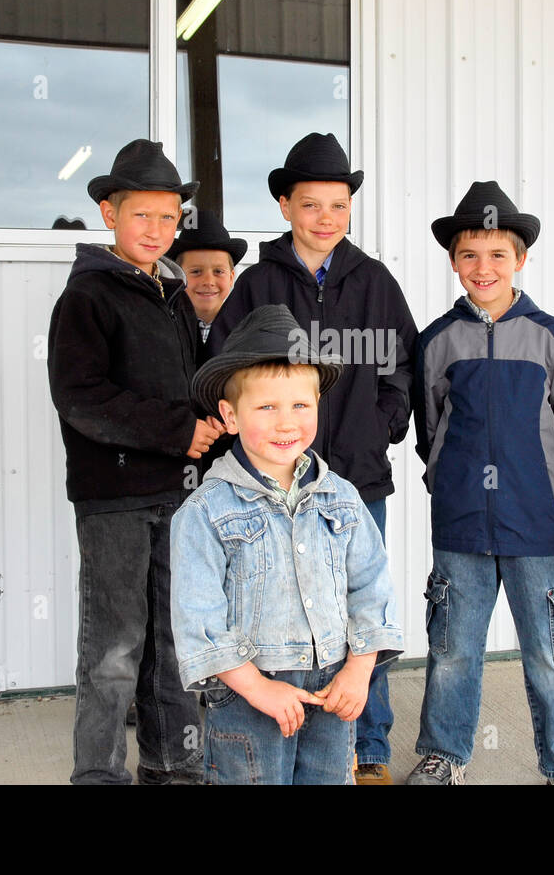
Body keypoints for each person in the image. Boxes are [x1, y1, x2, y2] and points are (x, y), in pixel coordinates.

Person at [207, 132, 418, 783]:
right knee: (277, 610)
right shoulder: (258, 285)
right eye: (310, 205)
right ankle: (284, 740)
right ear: (283, 206)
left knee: (361, 615)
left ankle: (370, 750)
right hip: (272, 488)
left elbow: (401, 371)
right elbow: (222, 371)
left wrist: (374, 431)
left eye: (337, 204)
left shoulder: (375, 282)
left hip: (356, 483)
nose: (325, 218)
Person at [408, 181, 554, 785]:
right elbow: (430, 430)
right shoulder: (436, 341)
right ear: (453, 261)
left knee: (551, 654)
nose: (484, 267)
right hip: (461, 524)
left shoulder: (553, 338)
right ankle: (445, 754)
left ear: (520, 259)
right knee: (451, 651)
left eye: (498, 255)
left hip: (538, 525)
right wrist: (450, 485)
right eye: (470, 255)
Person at [46, 139, 223, 784]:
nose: (157, 230)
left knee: (175, 645)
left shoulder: (172, 296)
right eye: (141, 215)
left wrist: (216, 424)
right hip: (115, 498)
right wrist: (180, 430)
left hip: (179, 495)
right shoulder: (88, 298)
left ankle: (174, 767)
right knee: (115, 649)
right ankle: (98, 777)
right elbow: (81, 398)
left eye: (169, 218)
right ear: (107, 212)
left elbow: (185, 389)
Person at [170, 304, 404, 784]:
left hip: (332, 689)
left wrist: (359, 671)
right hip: (249, 697)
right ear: (230, 416)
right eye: (267, 407)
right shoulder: (205, 512)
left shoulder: (342, 497)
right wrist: (256, 687)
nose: (286, 423)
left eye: (300, 405)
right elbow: (199, 618)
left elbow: (371, 587)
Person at [167, 209, 247, 353]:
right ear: (178, 276)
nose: (208, 281)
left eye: (218, 271)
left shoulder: (246, 331)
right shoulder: (165, 327)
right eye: (196, 271)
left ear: (231, 277)